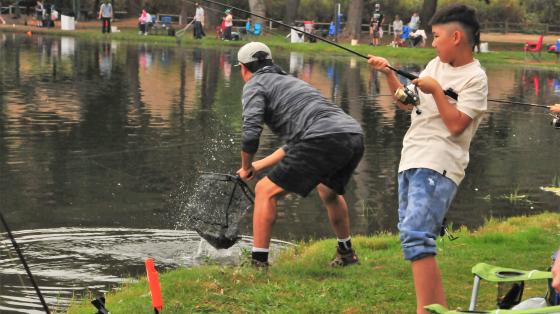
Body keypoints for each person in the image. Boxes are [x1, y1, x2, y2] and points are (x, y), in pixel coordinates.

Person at [368, 4, 487, 313]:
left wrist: (436, 91)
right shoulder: (435, 64)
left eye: (436, 36)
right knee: (413, 236)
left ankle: (425, 310)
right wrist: (389, 74)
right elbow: (407, 102)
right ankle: (438, 309)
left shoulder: (475, 78)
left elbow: (457, 125)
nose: (432, 42)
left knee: (416, 235)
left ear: (457, 37)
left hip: (440, 162)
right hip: (412, 157)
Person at [235, 42, 364, 268]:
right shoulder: (293, 81)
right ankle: (346, 254)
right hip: (352, 134)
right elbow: (296, 143)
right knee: (328, 190)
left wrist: (245, 166)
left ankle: (258, 266)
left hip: (322, 137)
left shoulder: (254, 85)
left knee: (265, 191)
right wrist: (256, 166)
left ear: (243, 68)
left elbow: (251, 134)